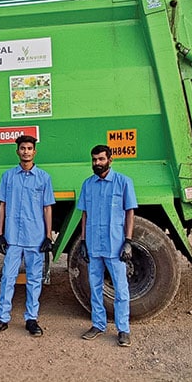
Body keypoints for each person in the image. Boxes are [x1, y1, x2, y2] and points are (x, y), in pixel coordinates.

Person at [0, 135, 55, 338]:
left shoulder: (44, 178)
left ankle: (31, 319)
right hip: (13, 238)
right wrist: (0, 234)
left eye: (29, 148)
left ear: (35, 152)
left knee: (34, 279)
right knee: (7, 278)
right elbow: (3, 205)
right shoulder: (8, 176)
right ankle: (2, 319)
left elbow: (47, 208)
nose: (26, 151)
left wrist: (48, 236)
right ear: (17, 151)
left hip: (35, 237)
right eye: (22, 148)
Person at [75, 144, 138, 347]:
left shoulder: (123, 182)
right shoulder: (88, 184)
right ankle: (98, 325)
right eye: (94, 160)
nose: (97, 163)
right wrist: (83, 241)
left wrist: (128, 241)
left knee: (121, 289)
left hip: (115, 246)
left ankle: (123, 330)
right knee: (94, 288)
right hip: (94, 245)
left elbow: (130, 213)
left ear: (110, 160)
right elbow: (84, 214)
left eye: (101, 159)